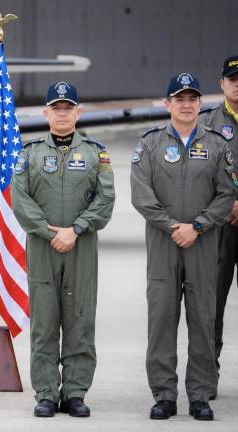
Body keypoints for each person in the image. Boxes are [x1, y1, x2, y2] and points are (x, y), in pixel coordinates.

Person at [131, 73, 234, 421]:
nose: (186, 105)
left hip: (204, 242)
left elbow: (226, 194)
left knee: (203, 317)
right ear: (167, 105)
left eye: (192, 99)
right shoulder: (149, 145)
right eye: (179, 99)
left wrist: (200, 226)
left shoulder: (218, 145)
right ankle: (164, 394)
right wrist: (174, 226)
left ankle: (201, 395)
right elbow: (141, 195)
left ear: (200, 103)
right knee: (161, 318)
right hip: (164, 242)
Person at [11, 82, 115, 418]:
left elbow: (106, 198)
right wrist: (47, 232)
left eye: (67, 107)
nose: (62, 113)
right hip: (42, 247)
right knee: (44, 320)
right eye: (55, 108)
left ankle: (75, 392)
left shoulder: (95, 153)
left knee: (80, 319)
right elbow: (20, 199)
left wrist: (77, 229)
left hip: (81, 246)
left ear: (78, 112)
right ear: (45, 113)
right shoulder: (30, 154)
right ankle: (45, 393)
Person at [199, 55, 238, 393]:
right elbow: (200, 172)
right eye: (233, 78)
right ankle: (207, 375)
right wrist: (226, 205)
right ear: (222, 83)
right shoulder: (207, 122)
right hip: (221, 225)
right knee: (212, 304)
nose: (237, 83)